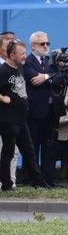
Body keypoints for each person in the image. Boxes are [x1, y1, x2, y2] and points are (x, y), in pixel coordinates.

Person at [0, 39, 50, 190]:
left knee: (29, 151)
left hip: (21, 119)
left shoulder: (19, 68)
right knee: (8, 152)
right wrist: (3, 98)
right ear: (12, 55)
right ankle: (6, 183)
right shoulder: (3, 71)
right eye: (21, 54)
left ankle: (38, 181)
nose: (24, 56)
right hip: (8, 119)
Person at [23, 31, 66, 186]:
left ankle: (50, 178)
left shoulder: (51, 61)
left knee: (50, 146)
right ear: (33, 46)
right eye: (42, 44)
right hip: (35, 111)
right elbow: (33, 78)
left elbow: (61, 77)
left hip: (51, 110)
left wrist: (46, 77)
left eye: (47, 43)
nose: (46, 46)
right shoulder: (27, 61)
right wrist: (50, 77)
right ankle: (31, 179)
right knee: (32, 146)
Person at [0, 31, 21, 186]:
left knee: (12, 150)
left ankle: (10, 181)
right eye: (9, 43)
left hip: (12, 116)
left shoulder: (16, 66)